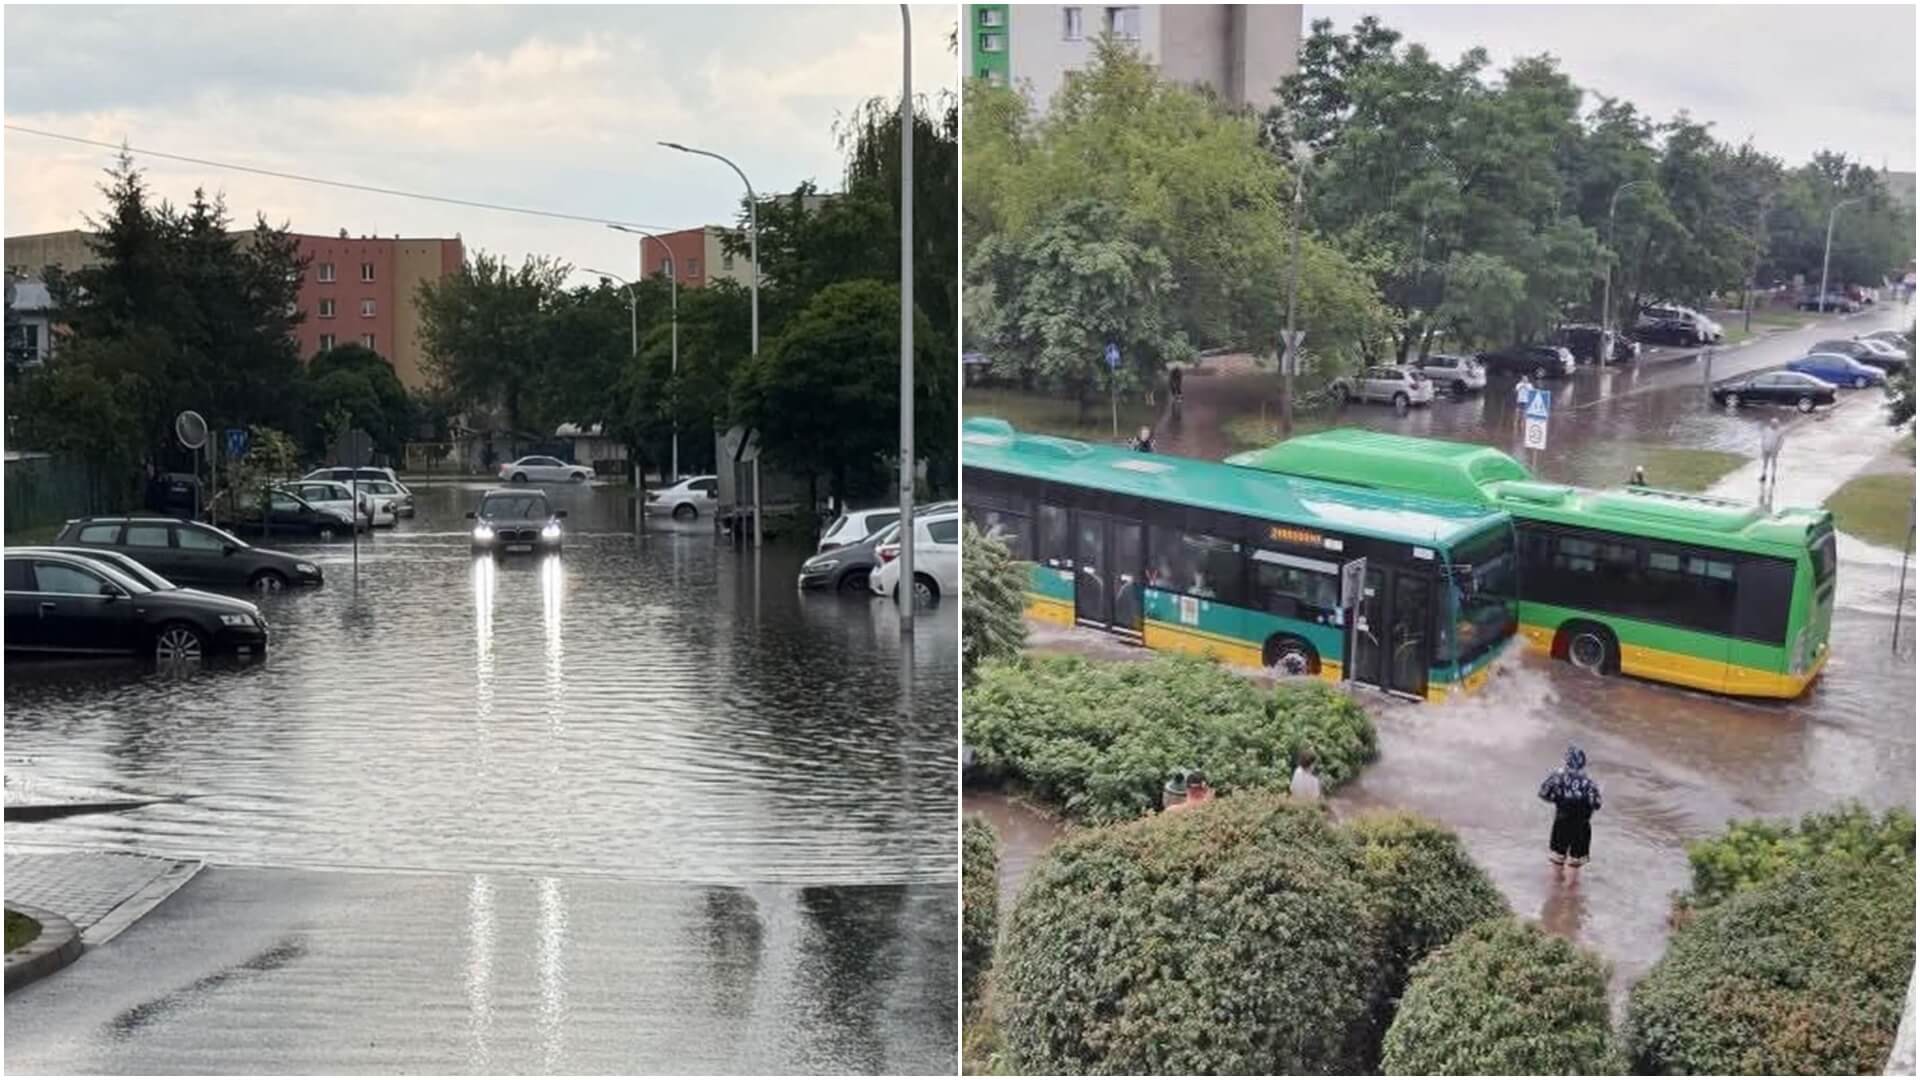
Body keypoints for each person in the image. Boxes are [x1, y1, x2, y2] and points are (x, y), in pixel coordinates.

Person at [1538, 744, 1602, 881]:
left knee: (1558, 855)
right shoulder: (1589, 781)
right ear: (1583, 762)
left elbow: (1543, 794)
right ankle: (1571, 887)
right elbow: (1596, 804)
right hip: (1582, 823)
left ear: (1567, 760)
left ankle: (1557, 881)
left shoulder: (1557, 776)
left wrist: (1557, 800)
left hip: (1562, 819)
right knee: (1575, 859)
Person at [1759, 418, 1785, 492]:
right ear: (1770, 423)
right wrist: (1762, 447)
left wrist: (1778, 448)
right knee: (1765, 463)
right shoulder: (1766, 429)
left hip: (1774, 450)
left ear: (1777, 424)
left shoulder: (1779, 432)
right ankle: (1763, 475)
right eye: (1772, 423)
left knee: (1773, 463)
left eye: (1775, 424)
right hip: (1766, 448)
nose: (1773, 425)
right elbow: (1763, 438)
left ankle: (1773, 476)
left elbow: (1781, 441)